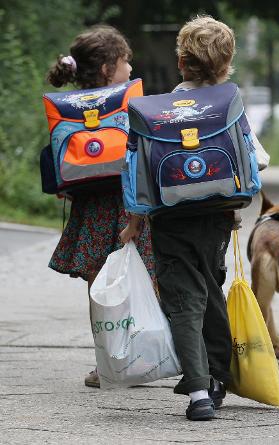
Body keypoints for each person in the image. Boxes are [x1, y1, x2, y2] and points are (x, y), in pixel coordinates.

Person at [121, 15, 269, 422]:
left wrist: (134, 223)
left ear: (182, 63)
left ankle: (200, 391)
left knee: (185, 298)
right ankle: (219, 375)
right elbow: (258, 158)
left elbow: (135, 168)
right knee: (209, 285)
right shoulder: (229, 104)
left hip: (170, 218)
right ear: (227, 65)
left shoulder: (159, 110)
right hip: (217, 218)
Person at [46, 25, 154, 389]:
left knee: (98, 288)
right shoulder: (126, 102)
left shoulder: (70, 108)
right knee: (139, 280)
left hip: (90, 207)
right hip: (126, 205)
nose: (129, 68)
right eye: (125, 61)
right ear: (108, 68)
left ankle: (104, 363)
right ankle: (140, 356)